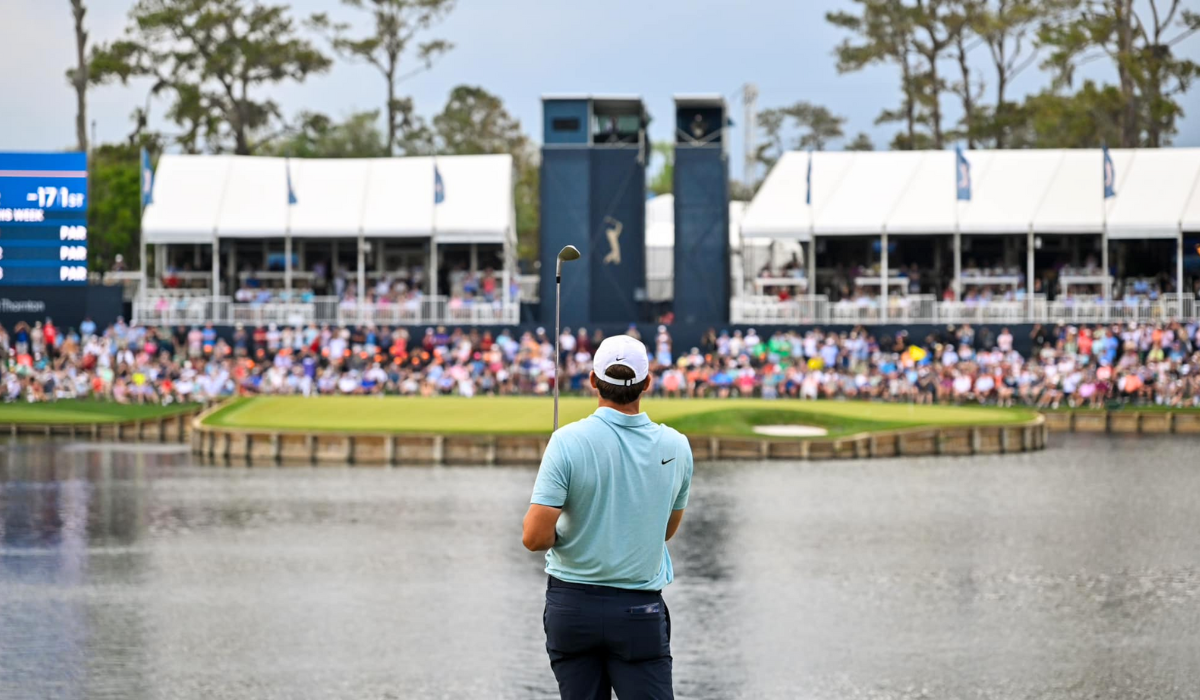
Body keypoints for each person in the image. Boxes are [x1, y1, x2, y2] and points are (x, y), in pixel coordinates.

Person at [523, 334, 693, 698]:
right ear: (648, 383)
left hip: (572, 608)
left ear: (593, 381)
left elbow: (534, 538)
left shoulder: (567, 441)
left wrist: (573, 535)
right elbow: (664, 531)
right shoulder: (676, 445)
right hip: (638, 610)